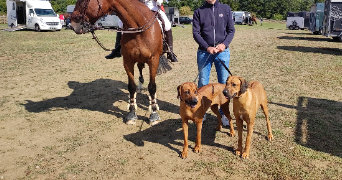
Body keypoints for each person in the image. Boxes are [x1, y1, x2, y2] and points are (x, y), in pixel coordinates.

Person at [192, 0, 235, 123]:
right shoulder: (198, 11)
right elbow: (196, 33)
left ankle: (224, 114)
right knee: (203, 83)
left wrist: (224, 45)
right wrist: (207, 47)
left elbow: (231, 30)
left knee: (224, 84)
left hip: (222, 52)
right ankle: (201, 111)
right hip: (204, 52)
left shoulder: (225, 9)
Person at [105, 0, 177, 62]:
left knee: (167, 25)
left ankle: (170, 51)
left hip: (153, 7)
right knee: (120, 23)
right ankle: (117, 49)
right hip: (138, 9)